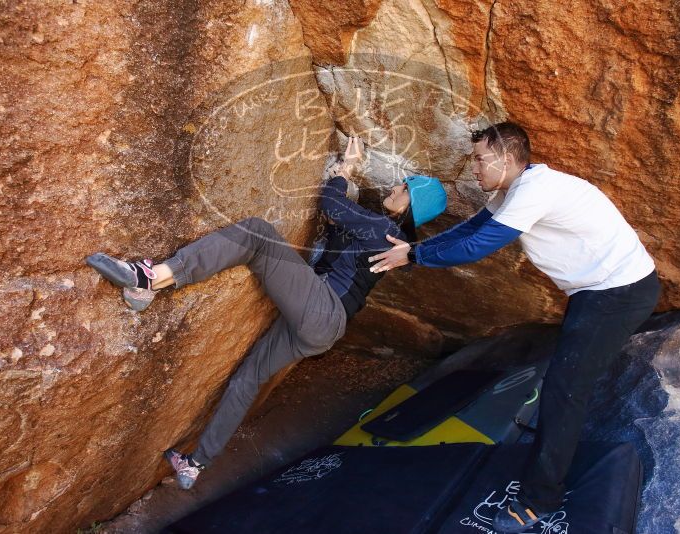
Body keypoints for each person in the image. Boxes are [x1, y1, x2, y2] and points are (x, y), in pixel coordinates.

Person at [86, 137, 447, 489]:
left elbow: (330, 201)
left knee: (258, 233)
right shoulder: (387, 234)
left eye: (404, 188)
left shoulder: (384, 230)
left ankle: (150, 278)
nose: (396, 187)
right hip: (322, 328)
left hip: (322, 310)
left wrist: (347, 168)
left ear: (411, 202)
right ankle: (196, 464)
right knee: (248, 379)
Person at [368, 122, 660, 533]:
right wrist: (416, 249)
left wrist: (413, 259)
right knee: (566, 384)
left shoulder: (535, 190)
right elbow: (471, 229)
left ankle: (540, 497)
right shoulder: (514, 190)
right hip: (595, 292)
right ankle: (547, 473)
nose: (475, 168)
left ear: (506, 159)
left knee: (564, 390)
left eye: (481, 159)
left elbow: (479, 245)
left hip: (619, 291)